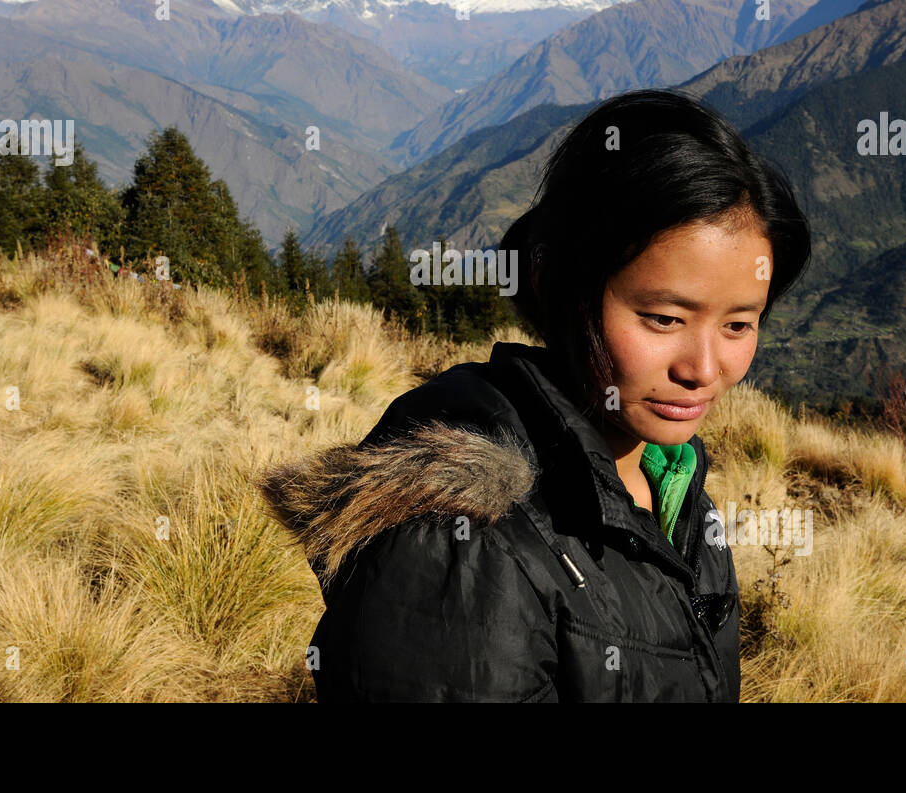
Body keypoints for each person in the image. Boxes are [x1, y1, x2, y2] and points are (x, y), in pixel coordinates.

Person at [260, 89, 811, 701]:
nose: (704, 368)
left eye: (739, 324)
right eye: (662, 318)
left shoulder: (673, 486)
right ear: (560, 286)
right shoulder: (461, 544)